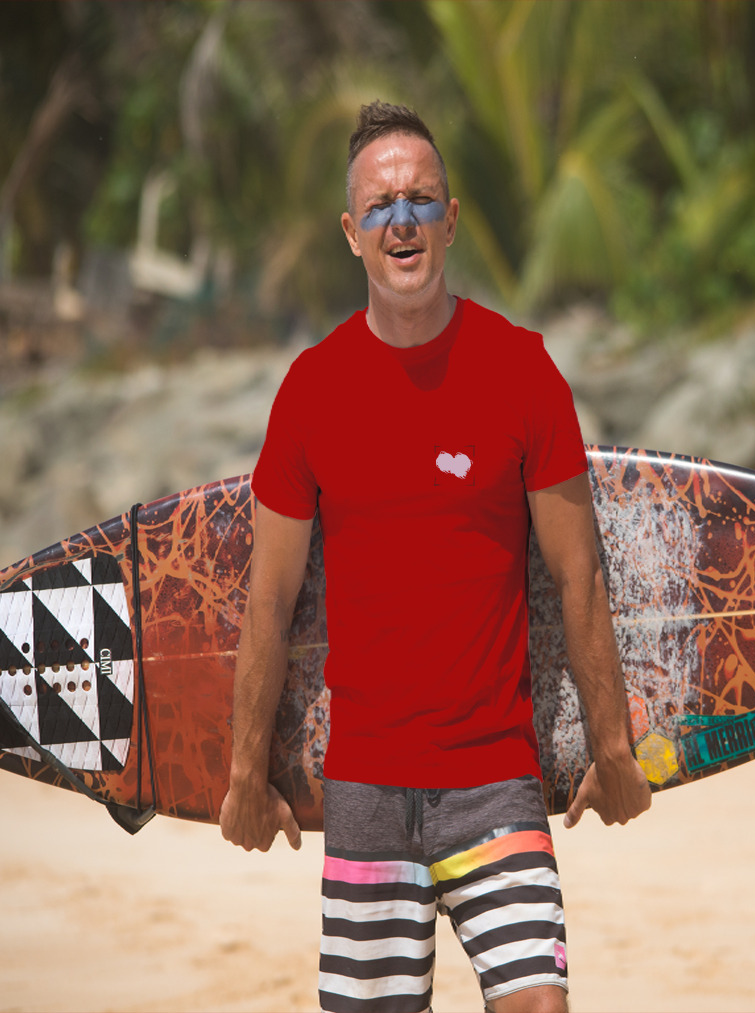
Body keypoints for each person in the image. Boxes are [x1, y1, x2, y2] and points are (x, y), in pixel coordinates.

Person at [220, 100, 651, 1013]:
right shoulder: (311, 391)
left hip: (496, 779)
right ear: (351, 233)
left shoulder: (522, 371)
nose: (402, 220)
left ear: (451, 219)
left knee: (540, 1003)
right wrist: (242, 772)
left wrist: (612, 746)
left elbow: (579, 575)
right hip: (367, 788)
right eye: (380, 206)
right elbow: (269, 600)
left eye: (421, 200)